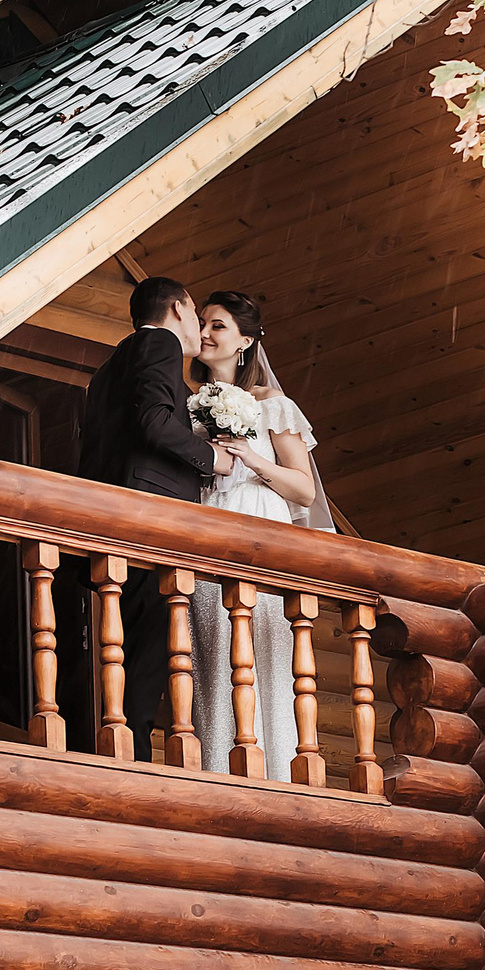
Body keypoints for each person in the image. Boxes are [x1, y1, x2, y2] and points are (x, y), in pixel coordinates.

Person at [77, 277, 233, 737]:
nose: (199, 330)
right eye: (197, 317)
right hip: (150, 518)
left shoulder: (107, 369)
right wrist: (213, 458)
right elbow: (154, 422)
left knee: (122, 650)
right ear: (180, 307)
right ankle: (132, 752)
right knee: (146, 653)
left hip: (113, 519)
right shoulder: (159, 343)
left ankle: (113, 741)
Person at [185, 291, 325, 779]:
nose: (204, 332)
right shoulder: (189, 407)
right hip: (209, 523)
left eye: (217, 325)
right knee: (212, 650)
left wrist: (251, 457)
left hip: (260, 520)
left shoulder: (275, 406)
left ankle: (279, 772)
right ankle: (219, 766)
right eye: (201, 323)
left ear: (244, 340)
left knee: (265, 648)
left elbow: (304, 491)